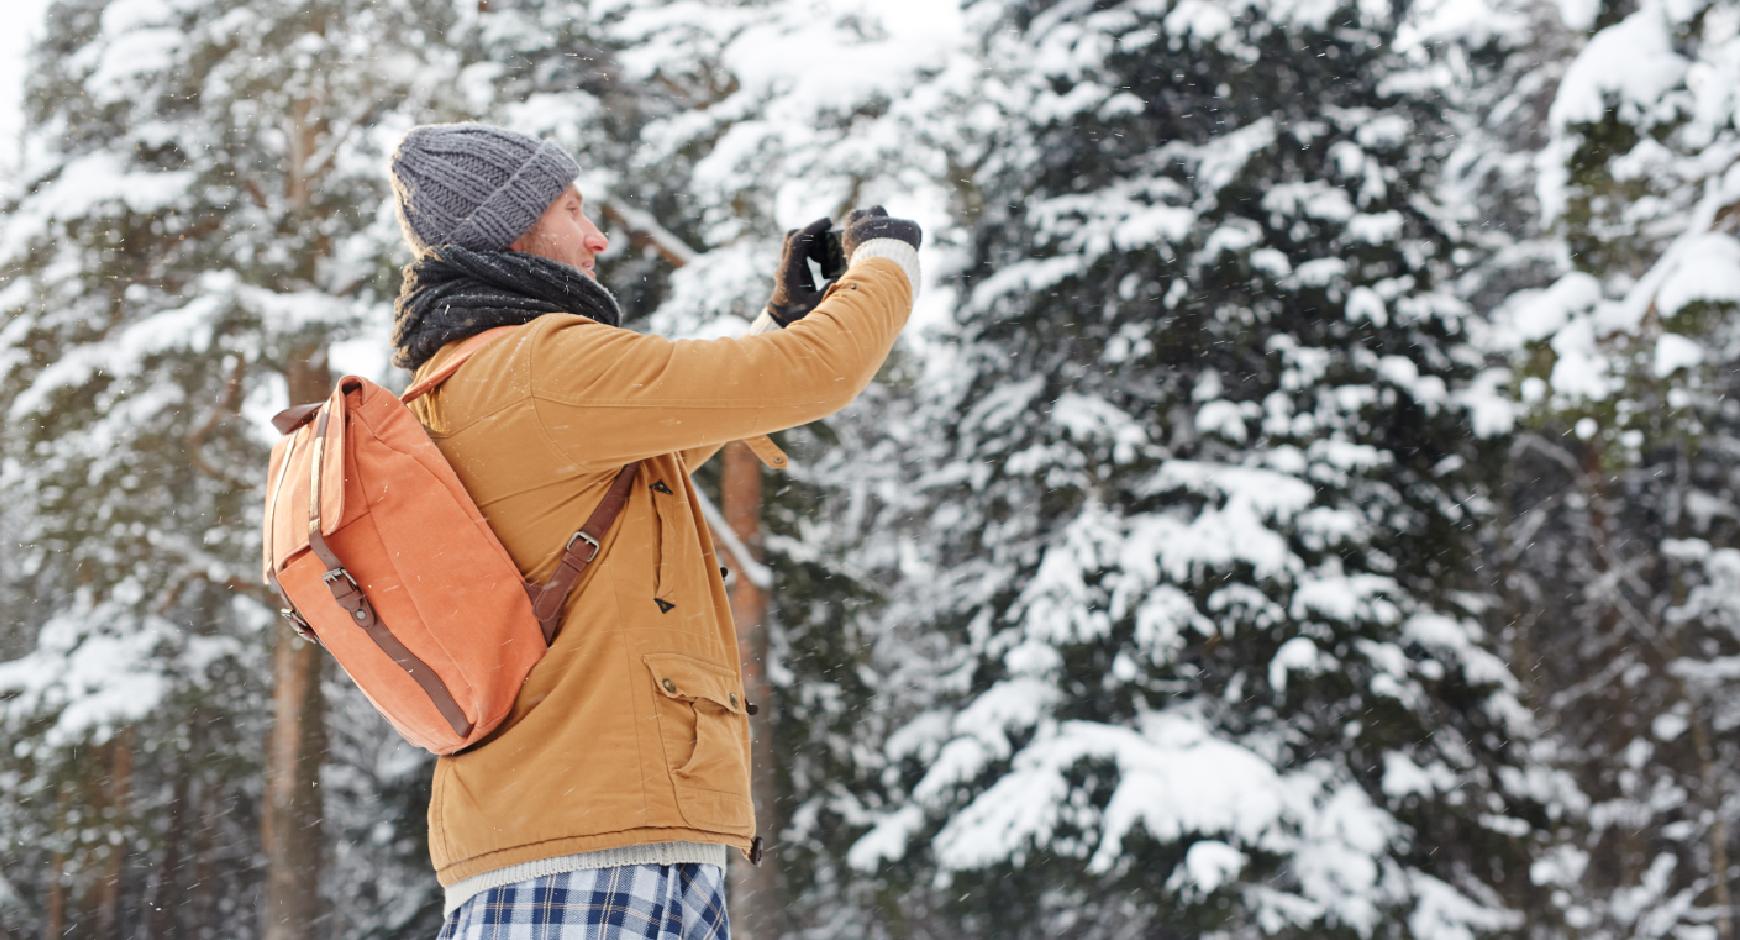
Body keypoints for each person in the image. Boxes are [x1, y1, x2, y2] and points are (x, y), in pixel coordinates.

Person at [385, 122, 921, 939]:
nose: (596, 237)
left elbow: (673, 437)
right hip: (594, 845)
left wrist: (778, 321)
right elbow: (813, 375)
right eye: (573, 209)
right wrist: (888, 264)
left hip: (567, 829)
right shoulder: (538, 364)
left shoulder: (465, 379)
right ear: (515, 228)